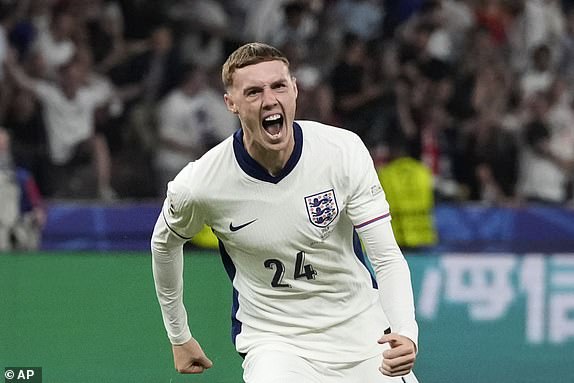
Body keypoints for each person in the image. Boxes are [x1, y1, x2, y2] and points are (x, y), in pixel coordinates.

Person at [151, 42, 419, 383]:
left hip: (365, 335)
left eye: (278, 86)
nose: (269, 100)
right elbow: (164, 245)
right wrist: (179, 335)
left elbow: (386, 256)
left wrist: (405, 332)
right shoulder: (201, 183)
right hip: (276, 344)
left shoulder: (342, 151)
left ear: (294, 90)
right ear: (230, 103)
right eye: (253, 92)